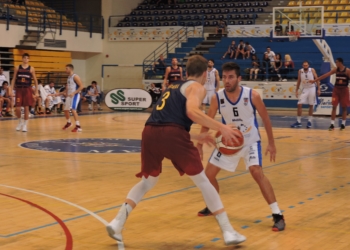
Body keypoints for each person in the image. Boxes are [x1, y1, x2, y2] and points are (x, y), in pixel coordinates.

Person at [106, 55, 246, 246]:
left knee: (148, 181)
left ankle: (117, 222)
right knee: (204, 181)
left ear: (186, 72)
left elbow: (167, 123)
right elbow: (191, 113)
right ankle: (228, 231)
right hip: (170, 133)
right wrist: (222, 127)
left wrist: (197, 137)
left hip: (150, 132)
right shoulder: (197, 87)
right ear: (206, 74)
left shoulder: (173, 86)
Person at [196, 62, 285, 232]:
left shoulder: (252, 96)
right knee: (208, 176)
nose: (226, 81)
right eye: (224, 77)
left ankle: (278, 215)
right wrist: (199, 144)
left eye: (230, 77)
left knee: (256, 172)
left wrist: (271, 143)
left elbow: (266, 118)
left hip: (250, 140)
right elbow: (207, 122)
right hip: (228, 142)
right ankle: (212, 205)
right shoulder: (217, 97)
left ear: (239, 78)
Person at [310, 58, 350, 131]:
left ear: (340, 63)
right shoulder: (335, 70)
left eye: (336, 62)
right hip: (336, 90)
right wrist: (315, 80)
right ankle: (332, 124)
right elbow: (325, 75)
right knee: (334, 106)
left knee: (344, 108)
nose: (335, 63)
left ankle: (343, 124)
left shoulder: (347, 71)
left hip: (344, 90)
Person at [11, 53, 38, 132]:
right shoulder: (17, 67)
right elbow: (13, 79)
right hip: (19, 89)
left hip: (27, 89)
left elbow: (35, 81)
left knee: (26, 107)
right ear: (22, 59)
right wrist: (11, 90)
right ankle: (20, 122)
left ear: (29, 59)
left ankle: (25, 124)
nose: (26, 59)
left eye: (27, 58)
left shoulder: (31, 69)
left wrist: (36, 92)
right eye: (24, 58)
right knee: (18, 108)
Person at [290, 61, 320, 128]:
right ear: (302, 65)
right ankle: (298, 122)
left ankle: (309, 121)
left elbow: (317, 79)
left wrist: (319, 89)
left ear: (308, 65)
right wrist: (296, 90)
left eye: (306, 65)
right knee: (299, 104)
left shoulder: (312, 70)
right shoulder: (300, 71)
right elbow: (299, 81)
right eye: (304, 65)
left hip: (312, 88)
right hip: (305, 89)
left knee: (311, 105)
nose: (305, 66)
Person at [61, 64, 84, 132]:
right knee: (65, 110)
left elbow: (81, 86)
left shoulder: (75, 76)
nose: (66, 70)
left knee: (73, 110)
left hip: (75, 95)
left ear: (70, 69)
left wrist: (74, 93)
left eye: (66, 69)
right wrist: (64, 93)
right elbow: (68, 88)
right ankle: (69, 122)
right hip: (70, 95)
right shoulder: (68, 77)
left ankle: (78, 126)